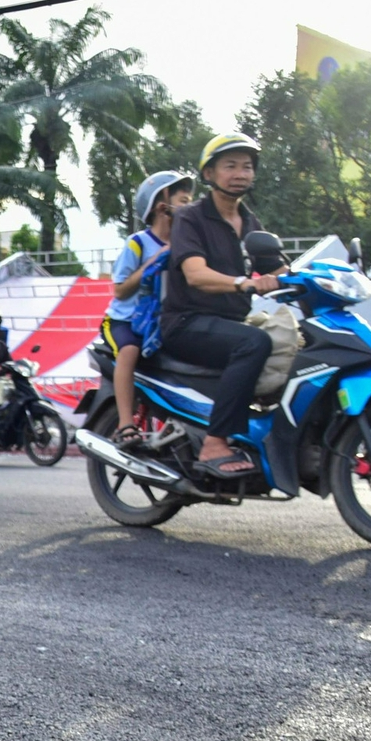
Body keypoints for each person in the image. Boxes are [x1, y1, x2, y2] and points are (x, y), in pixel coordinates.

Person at [159, 132, 282, 482]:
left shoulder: (251, 222)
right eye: (230, 166)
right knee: (254, 342)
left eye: (247, 166)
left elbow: (279, 269)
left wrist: (321, 279)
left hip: (229, 323)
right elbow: (195, 274)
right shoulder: (191, 217)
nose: (240, 173)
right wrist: (243, 282)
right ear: (209, 174)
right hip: (187, 322)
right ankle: (215, 443)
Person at [104, 171, 192, 448]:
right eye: (184, 199)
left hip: (162, 325)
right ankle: (125, 423)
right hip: (124, 322)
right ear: (161, 206)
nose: (190, 206)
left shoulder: (186, 246)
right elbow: (119, 290)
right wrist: (154, 262)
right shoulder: (138, 243)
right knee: (128, 351)